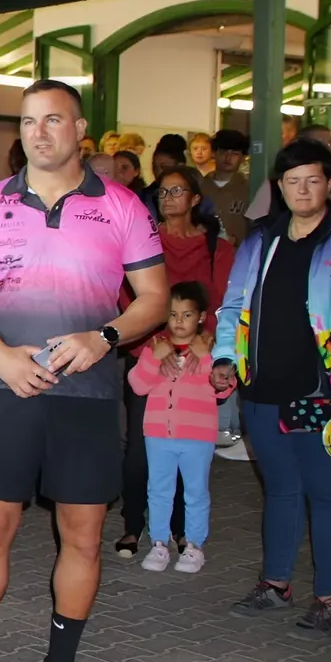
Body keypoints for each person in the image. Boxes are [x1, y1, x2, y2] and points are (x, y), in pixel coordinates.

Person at [0, 80, 167, 662]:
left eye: (52, 120)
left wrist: (105, 336)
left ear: (78, 129)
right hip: (5, 389)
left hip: (89, 396)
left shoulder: (123, 206)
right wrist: (0, 357)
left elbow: (153, 299)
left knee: (85, 536)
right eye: (28, 122)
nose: (38, 133)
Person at [214, 140, 331, 637]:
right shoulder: (261, 240)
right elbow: (232, 308)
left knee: (329, 494)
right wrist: (226, 358)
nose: (303, 189)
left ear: (330, 185)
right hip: (263, 389)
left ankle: (330, 600)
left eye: (313, 180)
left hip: (324, 394)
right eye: (293, 181)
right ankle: (275, 585)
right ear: (280, 187)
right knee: (281, 490)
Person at [115, 166, 235, 558]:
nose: (168, 199)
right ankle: (134, 526)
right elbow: (127, 298)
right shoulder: (144, 243)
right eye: (162, 193)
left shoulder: (218, 248)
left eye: (177, 191)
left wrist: (206, 343)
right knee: (140, 452)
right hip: (153, 353)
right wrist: (158, 343)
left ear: (195, 199)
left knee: (188, 447)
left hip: (200, 358)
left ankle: (182, 533)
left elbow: (228, 305)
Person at [126, 282, 234, 574]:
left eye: (187, 315)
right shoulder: (157, 348)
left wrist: (211, 359)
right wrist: (156, 359)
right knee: (158, 491)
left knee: (196, 492)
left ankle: (194, 546)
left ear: (200, 317)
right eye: (173, 314)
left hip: (197, 436)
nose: (179, 321)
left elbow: (225, 389)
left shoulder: (212, 349)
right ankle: (159, 543)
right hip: (158, 434)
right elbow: (137, 384)